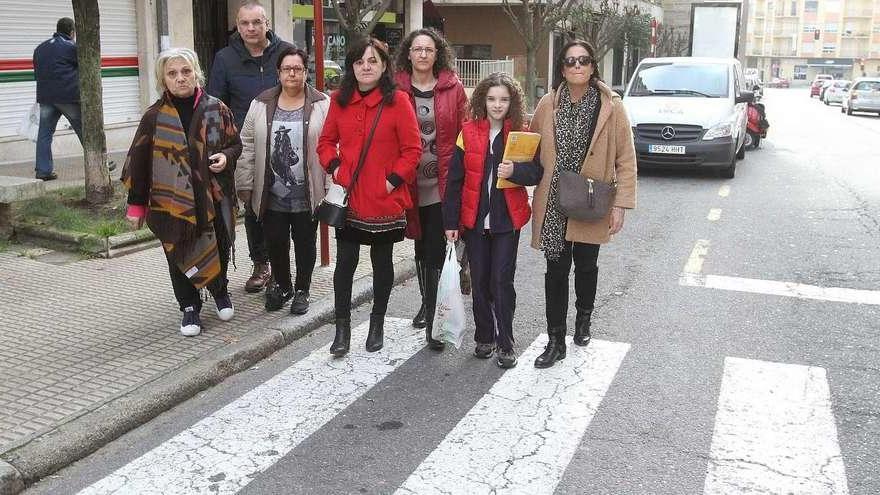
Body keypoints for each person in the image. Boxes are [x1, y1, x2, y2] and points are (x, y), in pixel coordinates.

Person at [529, 40, 637, 369]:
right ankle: (555, 340)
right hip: (554, 203)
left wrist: (620, 204)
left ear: (592, 67)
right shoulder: (548, 104)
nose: (577, 66)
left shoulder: (611, 106)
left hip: (591, 200)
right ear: (562, 68)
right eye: (571, 61)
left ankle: (583, 321)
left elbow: (626, 158)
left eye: (584, 60)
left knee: (586, 265)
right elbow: (531, 148)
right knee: (556, 271)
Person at [122, 48, 241, 337]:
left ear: (196, 73)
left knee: (220, 244)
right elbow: (139, 163)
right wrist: (136, 206)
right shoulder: (153, 117)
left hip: (214, 196)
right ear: (163, 79)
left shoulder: (217, 108)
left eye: (186, 71)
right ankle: (189, 306)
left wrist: (226, 157)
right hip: (171, 202)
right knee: (178, 248)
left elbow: (235, 144)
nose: (180, 78)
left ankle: (220, 290)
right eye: (173, 73)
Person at [317, 37, 421, 357]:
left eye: (373, 61)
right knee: (345, 263)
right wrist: (334, 167)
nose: (366, 66)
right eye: (360, 61)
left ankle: (376, 324)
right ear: (351, 66)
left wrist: (391, 181)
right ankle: (342, 329)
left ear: (384, 66)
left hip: (383, 199)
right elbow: (325, 142)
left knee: (381, 262)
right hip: (349, 197)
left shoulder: (399, 101)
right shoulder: (339, 100)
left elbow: (412, 150)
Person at [443, 72, 542, 369]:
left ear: (511, 102)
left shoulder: (521, 135)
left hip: (506, 222)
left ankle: (505, 342)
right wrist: (451, 223)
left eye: (503, 99)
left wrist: (516, 173)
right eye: (491, 99)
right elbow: (454, 182)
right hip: (474, 223)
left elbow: (535, 173)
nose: (497, 105)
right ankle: (484, 337)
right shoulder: (467, 132)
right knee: (481, 282)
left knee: (502, 281)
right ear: (482, 100)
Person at [207, 0, 295, 294]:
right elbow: (215, 105)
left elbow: (301, 90)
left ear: (267, 23)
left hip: (286, 141)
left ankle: (284, 264)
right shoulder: (224, 59)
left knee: (289, 206)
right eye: (245, 23)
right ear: (238, 25)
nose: (251, 28)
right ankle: (261, 263)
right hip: (246, 147)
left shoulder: (284, 53)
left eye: (257, 22)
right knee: (254, 206)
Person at [236, 47, 330, 315]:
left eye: (297, 68)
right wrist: (244, 182)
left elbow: (333, 145)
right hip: (272, 192)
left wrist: (331, 185)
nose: (292, 73)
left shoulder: (322, 103)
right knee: (275, 242)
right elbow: (247, 143)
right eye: (287, 68)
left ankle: (302, 289)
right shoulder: (262, 103)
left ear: (305, 72)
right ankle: (283, 286)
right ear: (278, 73)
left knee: (305, 243)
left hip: (307, 191)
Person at [393, 28, 467, 350]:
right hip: (409, 183)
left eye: (429, 49)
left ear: (438, 54)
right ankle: (427, 300)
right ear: (408, 54)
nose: (423, 54)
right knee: (420, 247)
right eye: (417, 49)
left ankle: (436, 320)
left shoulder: (453, 88)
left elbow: (466, 134)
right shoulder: (394, 88)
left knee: (437, 248)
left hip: (443, 183)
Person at [32, 17, 83, 181]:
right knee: (85, 129)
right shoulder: (71, 47)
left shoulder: (40, 48)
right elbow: (83, 67)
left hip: (46, 97)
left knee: (44, 133)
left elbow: (37, 72)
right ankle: (100, 162)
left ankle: (43, 171)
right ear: (72, 32)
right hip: (67, 96)